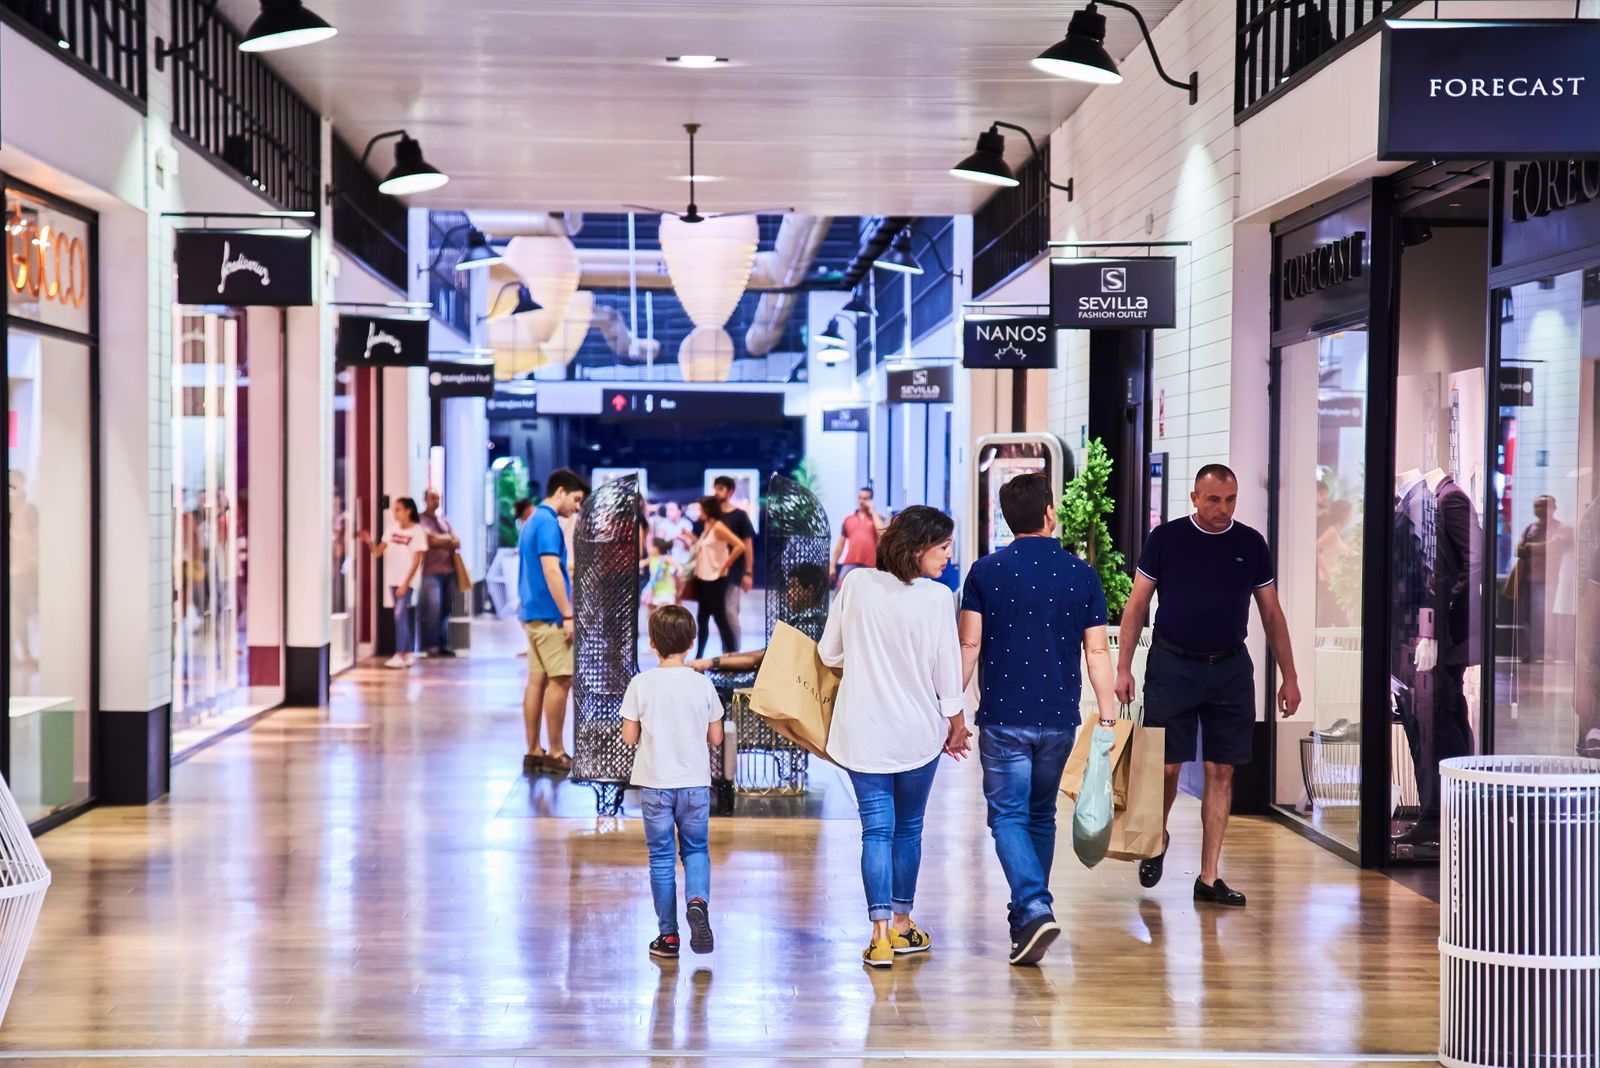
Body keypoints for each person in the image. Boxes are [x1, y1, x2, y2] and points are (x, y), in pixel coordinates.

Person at [1115, 465, 1300, 907]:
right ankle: (1157, 837)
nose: (1223, 509)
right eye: (1214, 500)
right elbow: (1137, 603)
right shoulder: (1166, 539)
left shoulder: (1251, 545)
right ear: (1194, 497)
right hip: (1171, 666)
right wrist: (1124, 667)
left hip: (1230, 670)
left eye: (1231, 499)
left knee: (1222, 770)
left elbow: (1271, 615)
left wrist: (1289, 676)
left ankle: (1209, 876)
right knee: (1167, 768)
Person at [958, 472, 1116, 965]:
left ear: (1008, 518)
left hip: (1003, 716)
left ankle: (1032, 906)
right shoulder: (1081, 574)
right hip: (1058, 716)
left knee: (1007, 816)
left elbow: (969, 645)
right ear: (1049, 514)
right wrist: (1108, 715)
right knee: (1040, 815)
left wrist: (945, 704)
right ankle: (1026, 919)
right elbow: (1097, 650)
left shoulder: (984, 573)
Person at [819, 505, 966, 968]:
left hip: (863, 732)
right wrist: (956, 723)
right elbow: (948, 671)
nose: (948, 555)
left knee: (876, 831)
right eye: (943, 547)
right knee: (909, 830)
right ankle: (904, 926)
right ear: (919, 547)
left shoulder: (857, 584)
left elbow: (828, 651)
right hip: (919, 734)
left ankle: (879, 936)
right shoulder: (938, 598)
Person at [620, 604, 725, 959]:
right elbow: (716, 739)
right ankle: (697, 901)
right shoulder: (702, 684)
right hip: (695, 783)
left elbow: (630, 737)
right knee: (696, 850)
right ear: (692, 642)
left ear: (651, 643)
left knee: (661, 858)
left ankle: (668, 937)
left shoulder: (641, 683)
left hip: (654, 783)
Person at [519, 469, 589, 773]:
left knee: (537, 681)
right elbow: (550, 570)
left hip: (531, 615)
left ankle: (534, 750)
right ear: (560, 491)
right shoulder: (548, 523)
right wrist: (568, 613)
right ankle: (557, 752)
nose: (576, 507)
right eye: (575, 500)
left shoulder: (531, 520)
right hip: (550, 617)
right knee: (561, 681)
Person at [688, 562, 829, 674]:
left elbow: (758, 659)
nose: (789, 593)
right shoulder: (809, 620)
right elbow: (763, 653)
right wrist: (720, 658)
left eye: (793, 587)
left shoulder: (807, 625)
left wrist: (712, 662)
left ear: (809, 591)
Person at [360, 497, 426, 669]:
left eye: (398, 509)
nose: (395, 513)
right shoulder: (391, 529)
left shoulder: (418, 531)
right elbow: (377, 552)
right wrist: (369, 542)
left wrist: (406, 583)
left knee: (399, 615)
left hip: (407, 581)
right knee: (401, 616)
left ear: (408, 511)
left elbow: (416, 561)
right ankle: (408, 652)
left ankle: (399, 653)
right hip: (393, 579)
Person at [1514, 495, 1572, 664]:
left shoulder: (1562, 528)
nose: (1539, 509)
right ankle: (1530, 652)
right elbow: (1518, 549)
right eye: (1536, 506)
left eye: (1543, 505)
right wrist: (1537, 548)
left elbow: (1554, 548)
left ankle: (1546, 652)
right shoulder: (1530, 528)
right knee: (1528, 617)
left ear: (1553, 507)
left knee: (1543, 616)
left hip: (1547, 580)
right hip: (1527, 579)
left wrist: (1530, 548)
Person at [690, 496, 749, 660]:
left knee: (720, 618)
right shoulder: (707, 526)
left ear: (708, 510)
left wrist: (726, 564)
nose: (699, 512)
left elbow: (740, 545)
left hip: (715, 579)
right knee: (702, 619)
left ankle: (730, 654)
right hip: (703, 578)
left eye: (701, 509)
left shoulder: (718, 527)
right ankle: (699, 656)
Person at [709, 477, 757, 648]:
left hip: (733, 573)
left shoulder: (739, 516)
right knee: (719, 615)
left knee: (730, 612)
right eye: (715, 488)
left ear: (730, 491)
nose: (717, 492)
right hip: (713, 574)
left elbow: (748, 545)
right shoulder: (712, 517)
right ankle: (725, 652)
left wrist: (748, 572)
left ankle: (734, 652)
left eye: (721, 488)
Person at [418, 489, 461, 658]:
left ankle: (443, 644)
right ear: (425, 499)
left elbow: (457, 541)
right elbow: (428, 539)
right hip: (431, 572)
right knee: (433, 608)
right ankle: (431, 645)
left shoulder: (444, 521)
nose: (436, 501)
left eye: (438, 498)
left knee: (446, 609)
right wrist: (447, 539)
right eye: (433, 498)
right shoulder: (421, 520)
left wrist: (441, 539)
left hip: (449, 571)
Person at [830, 487, 886, 589]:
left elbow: (883, 533)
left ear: (870, 500)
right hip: (850, 562)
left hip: (870, 564)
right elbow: (840, 545)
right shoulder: (848, 519)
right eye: (860, 498)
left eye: (865, 498)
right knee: (842, 590)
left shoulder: (877, 518)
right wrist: (832, 565)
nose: (861, 501)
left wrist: (873, 511)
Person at [652, 501, 696, 570]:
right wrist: (674, 538)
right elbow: (659, 547)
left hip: (685, 560)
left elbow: (690, 546)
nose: (668, 512)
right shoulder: (662, 525)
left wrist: (684, 539)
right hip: (669, 562)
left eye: (671, 510)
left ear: (679, 511)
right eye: (667, 510)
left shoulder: (686, 524)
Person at [643, 538, 682, 610]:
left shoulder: (665, 558)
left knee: (666, 612)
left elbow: (678, 566)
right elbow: (642, 563)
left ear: (657, 548)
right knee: (655, 612)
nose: (649, 548)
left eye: (651, 546)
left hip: (667, 590)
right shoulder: (651, 558)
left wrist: (681, 573)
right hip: (655, 590)